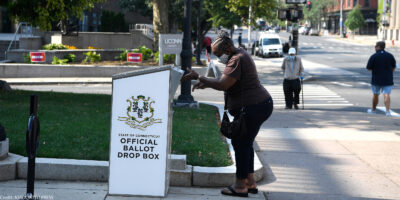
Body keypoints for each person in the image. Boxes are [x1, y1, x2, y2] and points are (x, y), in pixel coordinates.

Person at [181, 31, 273, 198]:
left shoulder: (237, 59)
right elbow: (229, 82)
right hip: (259, 105)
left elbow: (223, 84)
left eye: (219, 54)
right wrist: (205, 84)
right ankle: (249, 183)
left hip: (254, 106)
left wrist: (199, 77)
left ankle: (240, 186)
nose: (219, 58)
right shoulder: (239, 55)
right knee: (245, 143)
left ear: (229, 48)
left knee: (241, 143)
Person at [366, 41, 396, 116]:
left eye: (375, 46)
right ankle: (387, 111)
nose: (375, 48)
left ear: (378, 47)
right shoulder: (390, 55)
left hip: (376, 79)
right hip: (388, 79)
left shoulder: (374, 56)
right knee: (387, 94)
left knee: (375, 94)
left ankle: (373, 110)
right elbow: (393, 67)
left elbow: (369, 68)